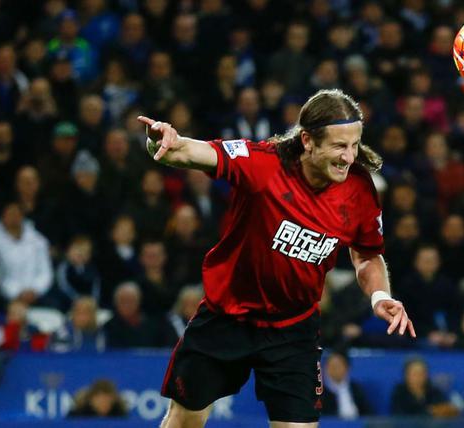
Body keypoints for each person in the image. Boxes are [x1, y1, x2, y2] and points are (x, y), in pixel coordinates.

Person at [142, 89, 415, 428]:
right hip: (227, 317)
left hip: (294, 330)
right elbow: (190, 152)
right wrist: (164, 143)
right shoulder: (262, 164)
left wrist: (380, 296)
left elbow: (367, 254)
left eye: (355, 145)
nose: (349, 157)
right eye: (339, 146)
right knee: (183, 422)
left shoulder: (359, 190)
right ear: (307, 141)